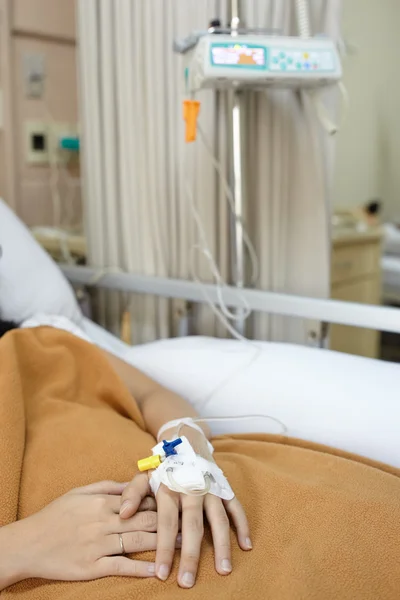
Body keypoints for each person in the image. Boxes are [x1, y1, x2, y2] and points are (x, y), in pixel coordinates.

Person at [0, 317, 251, 592]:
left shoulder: (35, 340)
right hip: (76, 574)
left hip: (206, 487)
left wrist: (186, 447)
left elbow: (150, 395)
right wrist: (20, 546)